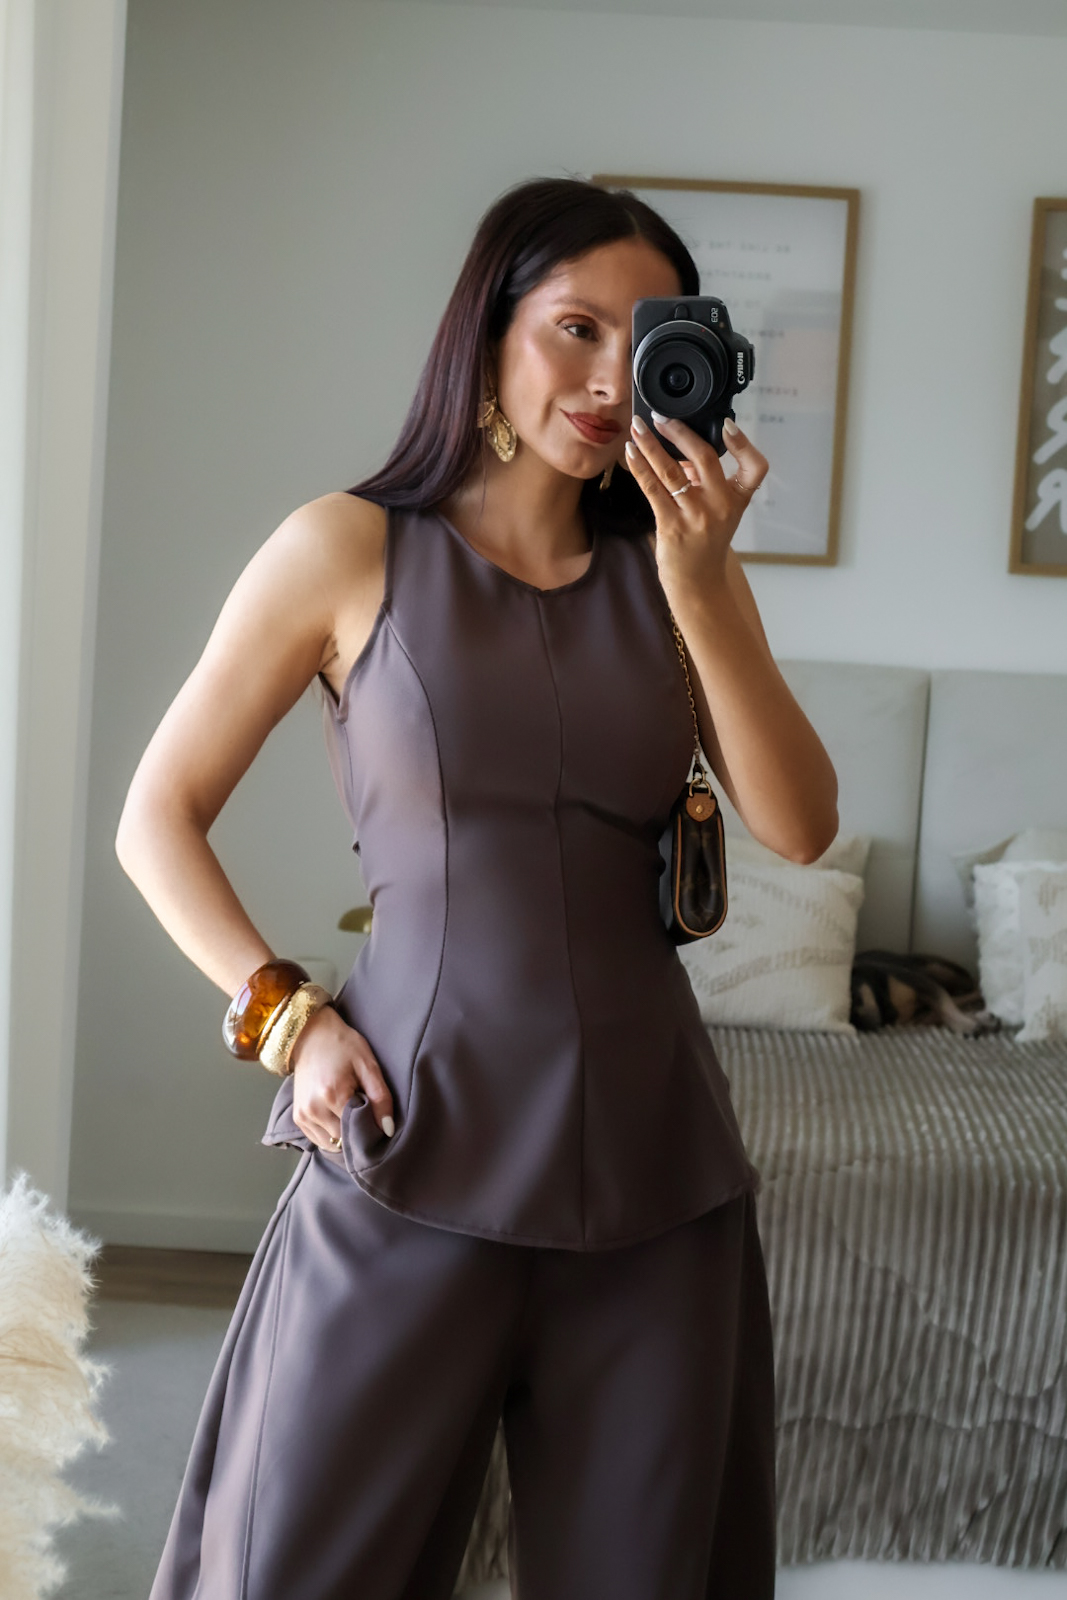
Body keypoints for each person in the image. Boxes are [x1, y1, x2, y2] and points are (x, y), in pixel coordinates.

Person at [118, 176, 839, 1600]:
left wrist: (704, 581)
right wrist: (287, 1017)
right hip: (407, 1144)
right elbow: (158, 818)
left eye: (647, 339)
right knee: (296, 1566)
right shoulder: (347, 546)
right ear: (489, 331)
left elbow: (800, 826)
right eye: (576, 328)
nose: (610, 377)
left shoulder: (680, 578)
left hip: (656, 1186)